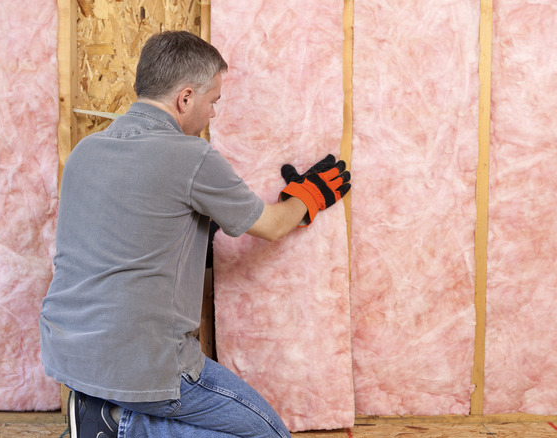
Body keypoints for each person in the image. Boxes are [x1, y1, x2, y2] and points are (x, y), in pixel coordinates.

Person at [39, 30, 350, 438]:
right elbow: (272, 225)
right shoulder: (191, 157)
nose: (214, 113)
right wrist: (310, 195)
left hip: (70, 354)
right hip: (147, 364)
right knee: (269, 435)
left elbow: (131, 228)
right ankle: (121, 427)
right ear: (185, 98)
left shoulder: (85, 151)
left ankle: (103, 410)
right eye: (213, 101)